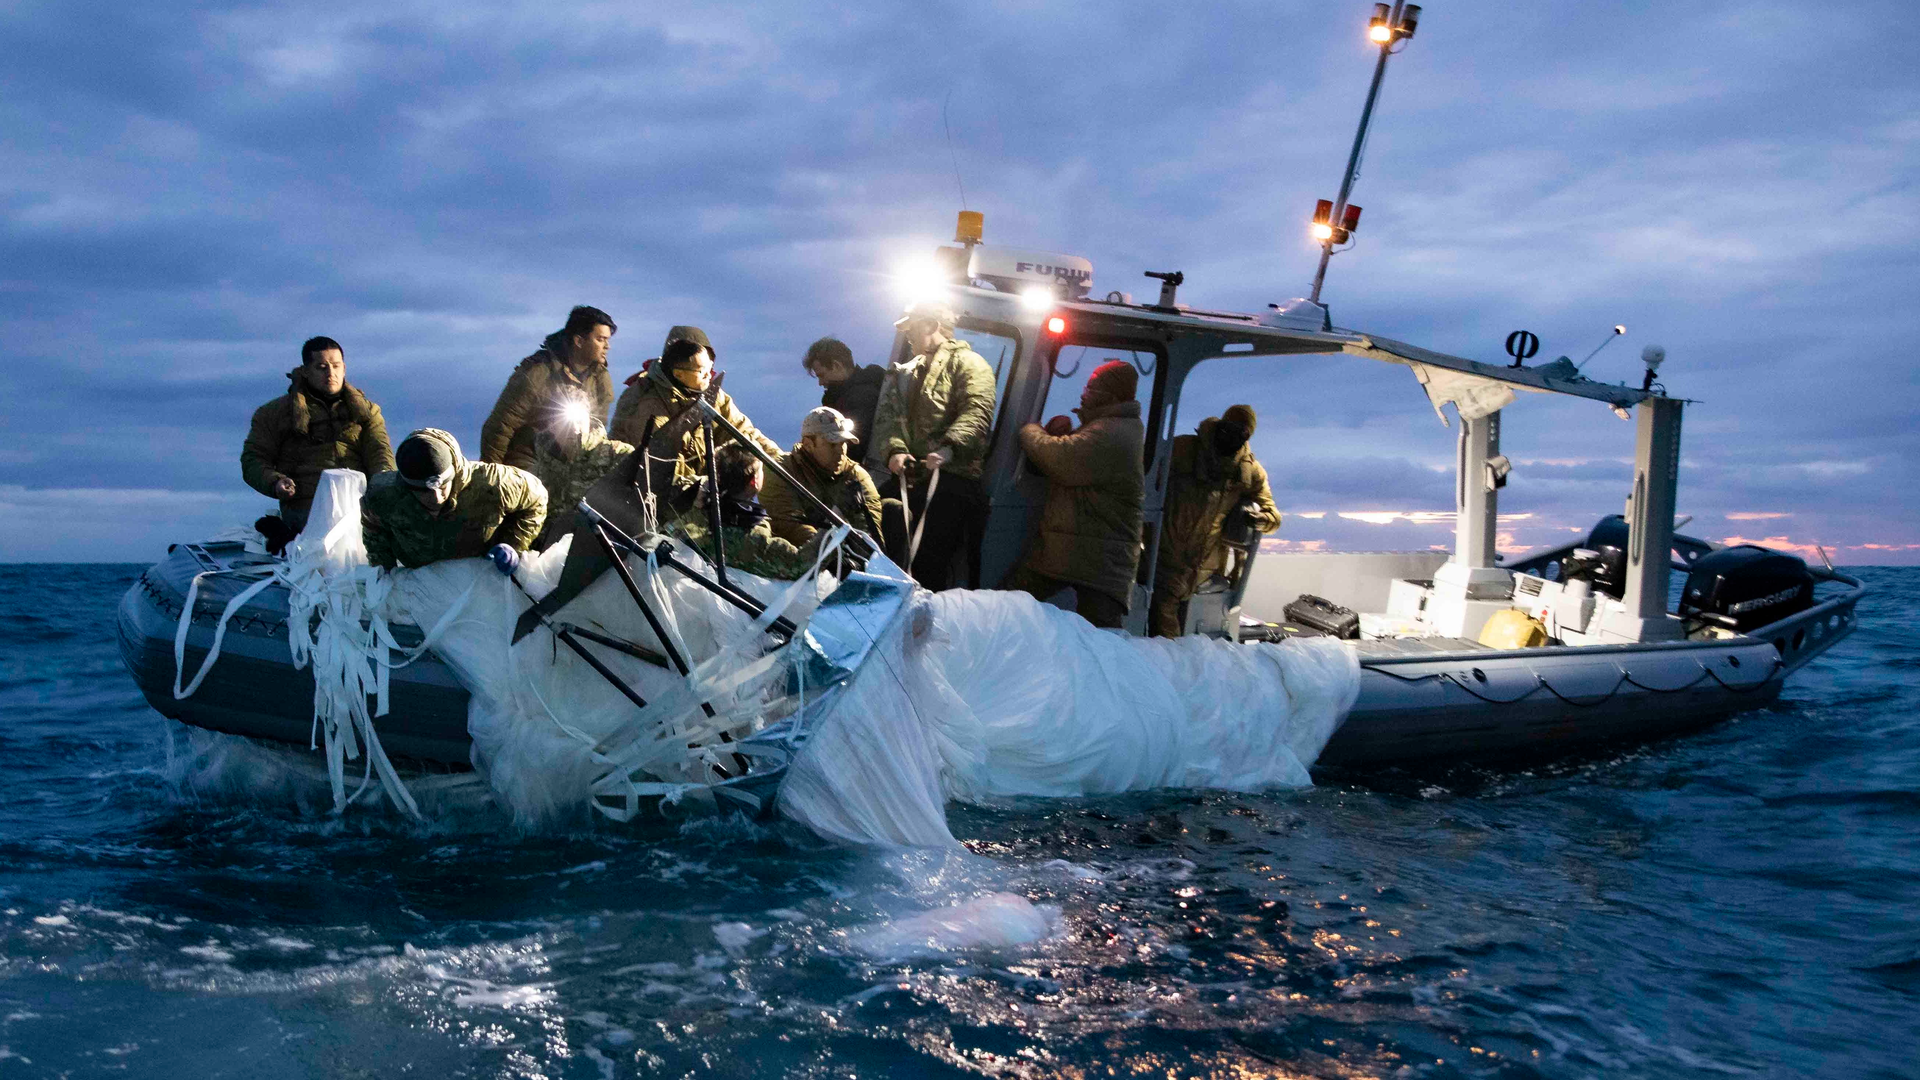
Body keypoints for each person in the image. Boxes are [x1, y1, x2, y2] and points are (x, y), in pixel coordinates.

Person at [1001, 361, 1145, 629]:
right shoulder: (1108, 427)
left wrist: (1030, 429)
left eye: (1092, 387)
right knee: (1013, 602)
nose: (1083, 392)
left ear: (1110, 395)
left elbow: (1062, 459)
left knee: (1100, 639)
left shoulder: (1115, 432)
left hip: (1097, 558)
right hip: (1084, 552)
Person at [871, 301, 996, 590]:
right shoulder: (904, 371)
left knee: (929, 560)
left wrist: (949, 448)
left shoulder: (971, 365)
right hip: (908, 477)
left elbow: (977, 410)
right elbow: (888, 416)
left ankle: (923, 620)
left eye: (912, 328)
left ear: (931, 326)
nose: (908, 336)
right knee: (877, 529)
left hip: (951, 480)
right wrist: (894, 450)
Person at [1149, 404, 1281, 637]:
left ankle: (1172, 661)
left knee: (1169, 614)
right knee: (1160, 608)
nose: (1231, 436)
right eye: (1227, 429)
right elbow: (1147, 479)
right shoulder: (1183, 449)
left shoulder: (1249, 472)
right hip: (1162, 553)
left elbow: (1273, 515)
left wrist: (1261, 519)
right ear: (1219, 425)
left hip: (1203, 564)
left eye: (1240, 433)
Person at [241, 336, 395, 536]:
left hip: (359, 508)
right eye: (322, 367)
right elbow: (253, 459)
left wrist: (385, 484)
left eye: (336, 366)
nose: (331, 373)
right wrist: (275, 482)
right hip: (305, 512)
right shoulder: (274, 413)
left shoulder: (367, 412)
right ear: (305, 371)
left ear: (344, 368)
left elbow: (379, 452)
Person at [608, 325, 780, 489]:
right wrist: (709, 486)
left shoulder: (711, 394)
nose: (709, 374)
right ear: (678, 373)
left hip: (699, 487)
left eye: (710, 367)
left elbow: (744, 432)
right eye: (701, 370)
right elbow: (657, 463)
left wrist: (781, 461)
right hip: (649, 493)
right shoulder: (648, 402)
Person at [362, 428, 548, 570]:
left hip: (482, 573)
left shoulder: (493, 484)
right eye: (425, 492)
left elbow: (537, 499)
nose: (436, 497)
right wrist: (385, 570)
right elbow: (373, 529)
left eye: (443, 486)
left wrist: (512, 545)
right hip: (420, 577)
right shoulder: (384, 495)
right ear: (408, 487)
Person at [478, 306, 617, 470]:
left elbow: (597, 431)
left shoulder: (600, 379)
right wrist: (492, 476)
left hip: (572, 466)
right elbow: (501, 426)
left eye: (607, 340)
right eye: (600, 339)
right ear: (579, 341)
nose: (607, 346)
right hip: (528, 461)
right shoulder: (537, 373)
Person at [669, 443, 826, 581]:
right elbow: (801, 565)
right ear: (754, 481)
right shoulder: (750, 539)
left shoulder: (691, 499)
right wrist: (832, 529)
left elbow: (678, 487)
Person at [761, 407, 886, 546]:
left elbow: (869, 526)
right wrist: (832, 551)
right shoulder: (780, 470)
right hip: (803, 558)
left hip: (849, 552)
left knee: (893, 508)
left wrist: (862, 551)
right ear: (808, 444)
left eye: (843, 443)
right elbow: (789, 524)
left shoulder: (856, 475)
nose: (841, 451)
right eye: (832, 444)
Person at [524, 394, 635, 551]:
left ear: (589, 420)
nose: (575, 428)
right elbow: (528, 523)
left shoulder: (618, 456)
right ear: (552, 425)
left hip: (609, 554)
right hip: (552, 562)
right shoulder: (536, 475)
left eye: (580, 420)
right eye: (565, 422)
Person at [801, 337, 886, 465]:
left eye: (822, 375)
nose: (820, 383)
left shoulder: (862, 397)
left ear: (836, 366)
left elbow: (853, 447)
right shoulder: (842, 396)